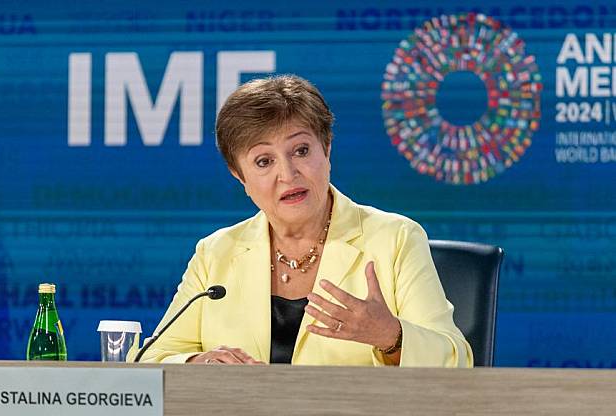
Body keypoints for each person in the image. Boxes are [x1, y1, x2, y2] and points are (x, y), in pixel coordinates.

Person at [134, 75, 473, 367]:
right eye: (264, 161)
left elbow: (457, 360)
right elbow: (152, 359)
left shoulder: (395, 239)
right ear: (240, 176)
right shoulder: (216, 253)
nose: (288, 173)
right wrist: (198, 362)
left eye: (301, 151)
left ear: (327, 149)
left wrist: (391, 337)